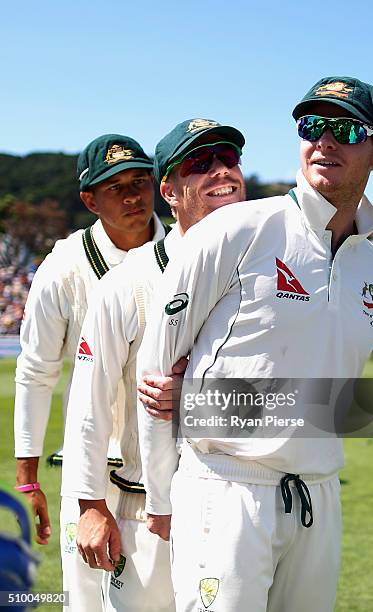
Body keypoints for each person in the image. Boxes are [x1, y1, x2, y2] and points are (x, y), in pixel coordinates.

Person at [137, 77, 373, 612]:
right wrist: (161, 497)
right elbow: (157, 371)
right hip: (226, 488)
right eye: (312, 126)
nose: (324, 141)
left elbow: (331, 389)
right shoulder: (238, 229)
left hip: (319, 494)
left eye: (345, 129)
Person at [60, 119, 246, 611]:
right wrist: (90, 505)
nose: (221, 171)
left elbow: (309, 395)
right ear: (168, 190)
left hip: (241, 502)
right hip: (144, 509)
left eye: (229, 159)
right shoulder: (127, 283)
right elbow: (89, 401)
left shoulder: (267, 273)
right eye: (199, 163)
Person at [14, 133, 167, 611]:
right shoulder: (63, 267)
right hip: (92, 475)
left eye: (140, 181)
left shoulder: (189, 251)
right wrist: (28, 479)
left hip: (170, 471)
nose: (132, 196)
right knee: (86, 603)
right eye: (114, 186)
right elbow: (37, 371)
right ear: (89, 198)